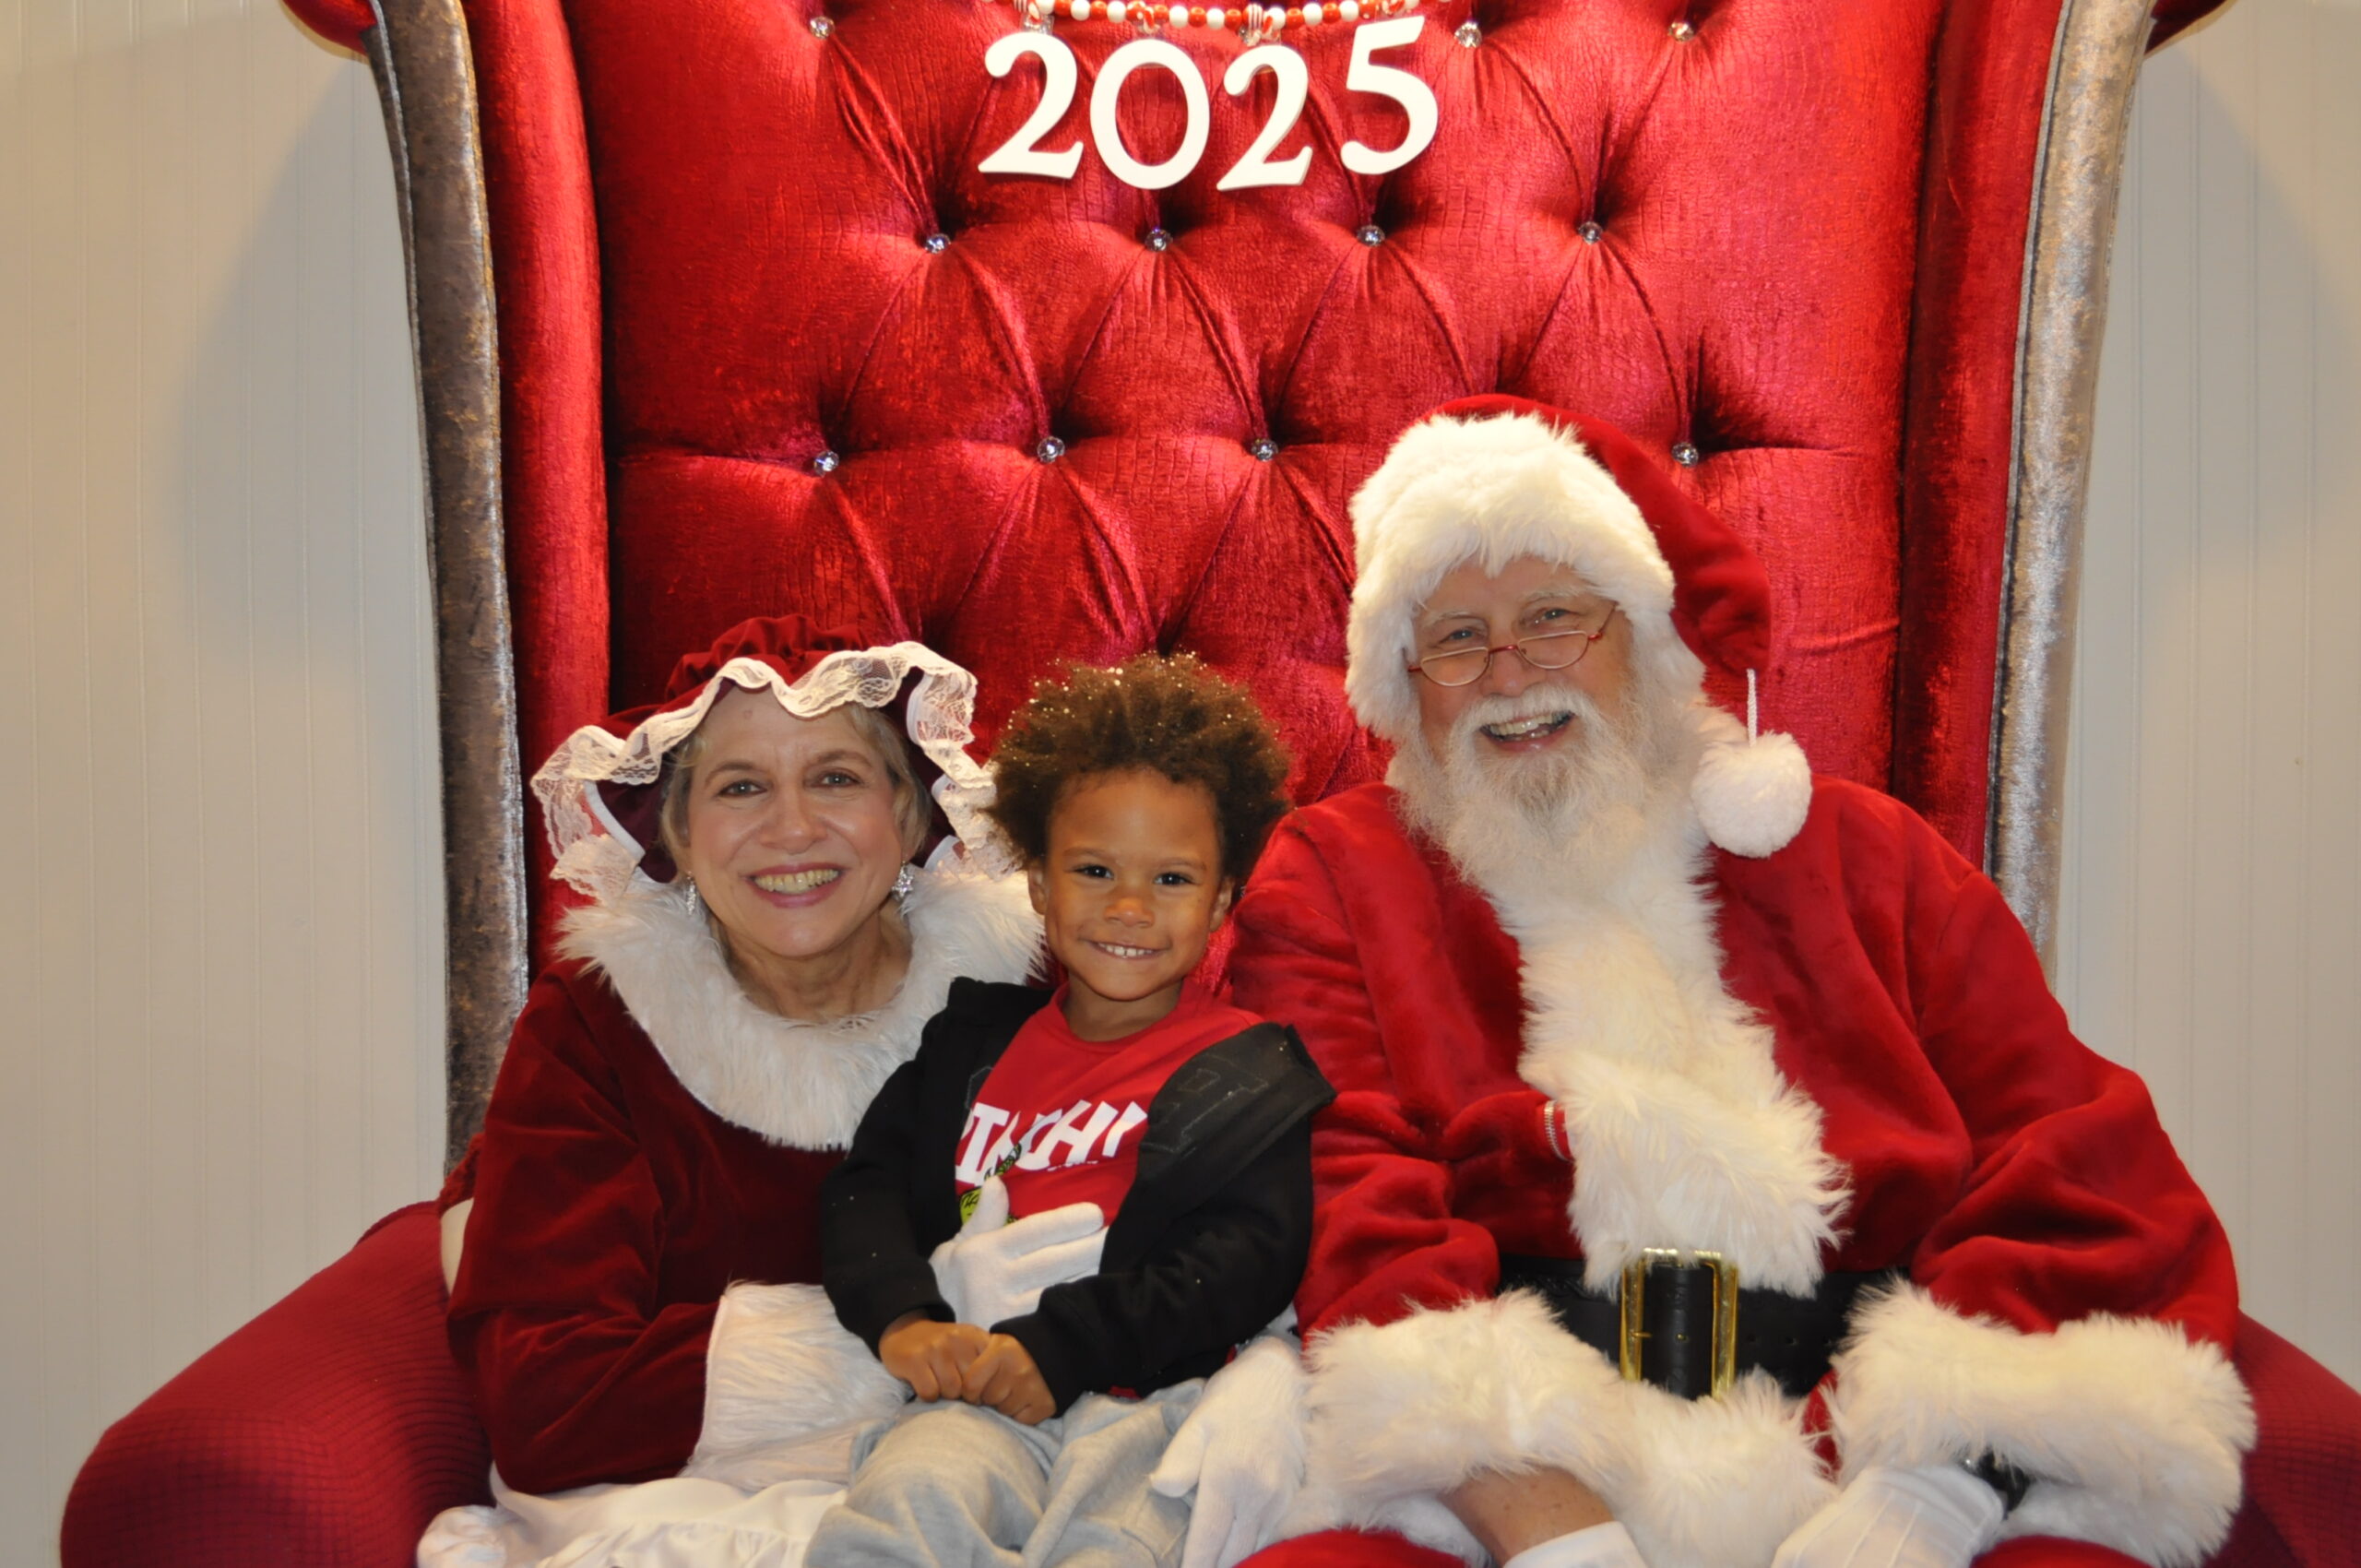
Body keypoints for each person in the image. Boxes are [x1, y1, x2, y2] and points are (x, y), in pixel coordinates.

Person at [1181, 398, 2255, 1568]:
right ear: (1403, 682)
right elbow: (1338, 1185)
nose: (1508, 672)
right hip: (1495, 1476)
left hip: (1874, 1445)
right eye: (1455, 637)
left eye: (1553, 617)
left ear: (1644, 635)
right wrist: (1552, 1529)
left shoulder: (1868, 855)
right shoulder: (1338, 872)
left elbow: (2070, 1157)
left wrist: (1939, 1483)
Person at [418, 615, 1067, 1566]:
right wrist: (929, 1328)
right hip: (671, 1516)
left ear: (911, 814)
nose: (791, 828)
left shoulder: (1029, 994)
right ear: (677, 835)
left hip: (979, 1488)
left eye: (836, 777)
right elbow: (547, 1401)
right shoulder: (602, 1026)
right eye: (740, 786)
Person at [808, 654, 1333, 1568]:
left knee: (1116, 1547)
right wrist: (905, 1317)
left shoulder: (1251, 1071)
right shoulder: (968, 1044)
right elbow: (864, 1193)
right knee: (907, 1499)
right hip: (976, 1393)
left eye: (1172, 880)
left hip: (1153, 1402)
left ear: (1221, 900)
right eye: (1094, 869)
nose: (1129, 906)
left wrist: (1064, 1347)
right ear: (1041, 886)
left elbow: (1244, 1262)